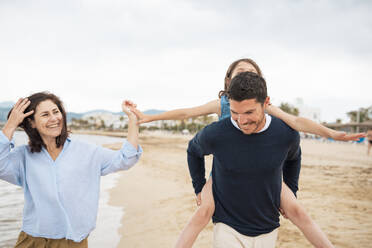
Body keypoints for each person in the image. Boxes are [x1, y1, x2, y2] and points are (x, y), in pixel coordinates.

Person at [131, 58, 363, 247]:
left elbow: (295, 123)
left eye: (250, 73)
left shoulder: (265, 106)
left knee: (296, 210)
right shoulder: (222, 104)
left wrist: (331, 134)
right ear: (229, 81)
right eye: (239, 73)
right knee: (204, 211)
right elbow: (186, 114)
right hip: (226, 163)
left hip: (262, 164)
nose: (242, 119)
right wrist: (150, 117)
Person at [0, 92, 142, 248]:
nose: (54, 118)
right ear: (32, 123)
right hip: (32, 240)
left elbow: (126, 158)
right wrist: (11, 125)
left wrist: (132, 119)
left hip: (72, 242)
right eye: (45, 114)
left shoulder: (87, 151)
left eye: (56, 112)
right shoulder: (23, 156)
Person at [188, 71, 307, 247]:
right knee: (202, 213)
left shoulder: (284, 133)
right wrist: (199, 186)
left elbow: (294, 157)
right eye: (235, 112)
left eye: (249, 112)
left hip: (267, 224)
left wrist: (291, 190)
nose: (241, 121)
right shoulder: (217, 132)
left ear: (265, 102)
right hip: (226, 220)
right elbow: (193, 149)